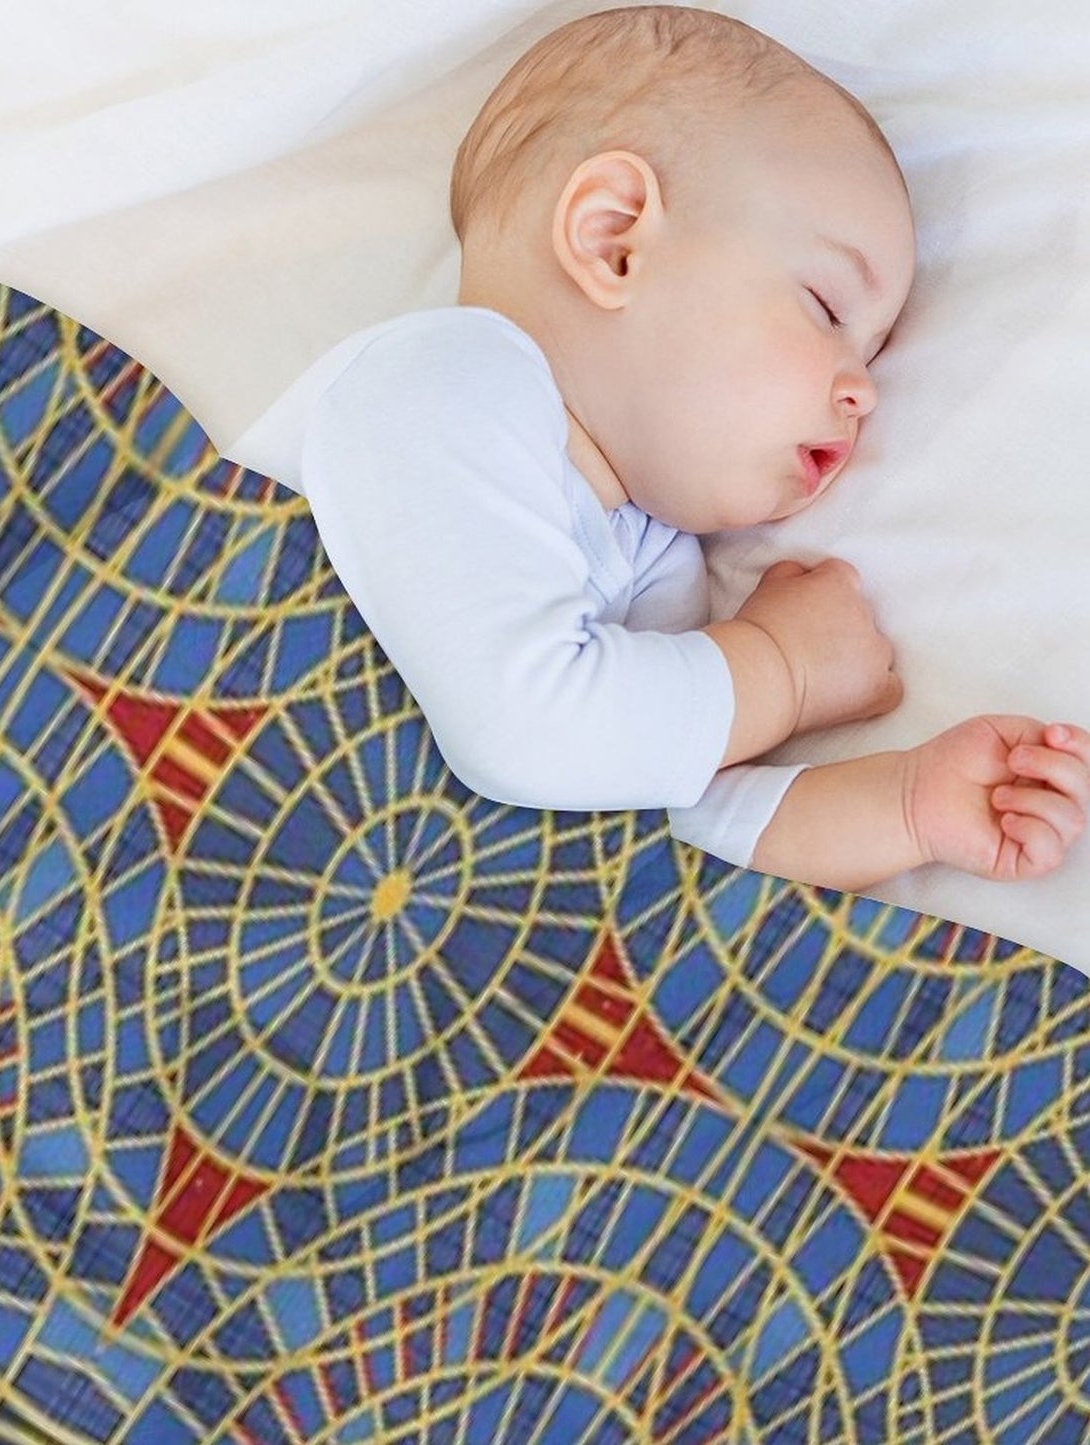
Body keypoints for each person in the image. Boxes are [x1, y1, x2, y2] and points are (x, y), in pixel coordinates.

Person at [231, 4, 1088, 891]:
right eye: (827, 309)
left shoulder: (646, 551)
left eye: (869, 353)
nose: (862, 389)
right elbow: (524, 731)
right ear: (614, 242)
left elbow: (669, 811)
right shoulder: (439, 380)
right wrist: (779, 668)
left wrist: (908, 804)